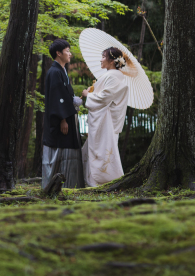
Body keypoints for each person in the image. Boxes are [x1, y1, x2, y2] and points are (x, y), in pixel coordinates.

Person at [80, 46, 131, 187]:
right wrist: (93, 91)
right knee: (98, 149)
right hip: (105, 119)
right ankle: (93, 179)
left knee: (102, 149)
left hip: (105, 120)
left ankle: (102, 180)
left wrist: (88, 95)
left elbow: (105, 97)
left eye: (103, 57)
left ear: (112, 61)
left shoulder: (112, 76)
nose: (101, 60)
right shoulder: (113, 75)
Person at [42, 39, 85, 190]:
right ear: (58, 53)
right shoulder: (55, 72)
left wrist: (74, 99)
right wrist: (62, 119)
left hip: (67, 116)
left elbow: (64, 96)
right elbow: (56, 98)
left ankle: (70, 185)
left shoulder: (61, 71)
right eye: (67, 51)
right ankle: (58, 185)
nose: (70, 54)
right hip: (62, 120)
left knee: (67, 149)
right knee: (61, 149)